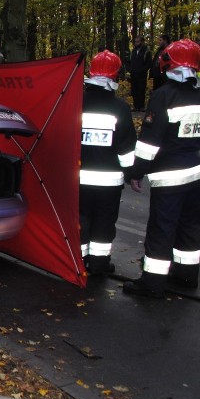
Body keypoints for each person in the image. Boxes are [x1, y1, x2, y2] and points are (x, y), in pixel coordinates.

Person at [123, 39, 200, 298]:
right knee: (188, 225)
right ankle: (187, 276)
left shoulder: (164, 95)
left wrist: (136, 172)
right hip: (194, 172)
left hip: (168, 176)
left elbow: (149, 143)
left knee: (162, 227)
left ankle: (152, 283)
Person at [79, 50, 137, 276]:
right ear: (115, 76)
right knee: (104, 221)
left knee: (81, 218)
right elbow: (126, 149)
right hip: (109, 182)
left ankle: (79, 260)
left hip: (80, 177)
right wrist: (132, 174)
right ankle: (100, 264)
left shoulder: (76, 103)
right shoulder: (120, 108)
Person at [128, 35, 152, 111]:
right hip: (134, 74)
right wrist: (130, 70)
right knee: (134, 90)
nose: (136, 43)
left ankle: (141, 106)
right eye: (135, 42)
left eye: (138, 41)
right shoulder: (134, 51)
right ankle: (135, 106)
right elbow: (131, 62)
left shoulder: (146, 51)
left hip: (142, 75)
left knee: (141, 90)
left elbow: (149, 63)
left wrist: (142, 70)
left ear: (142, 42)